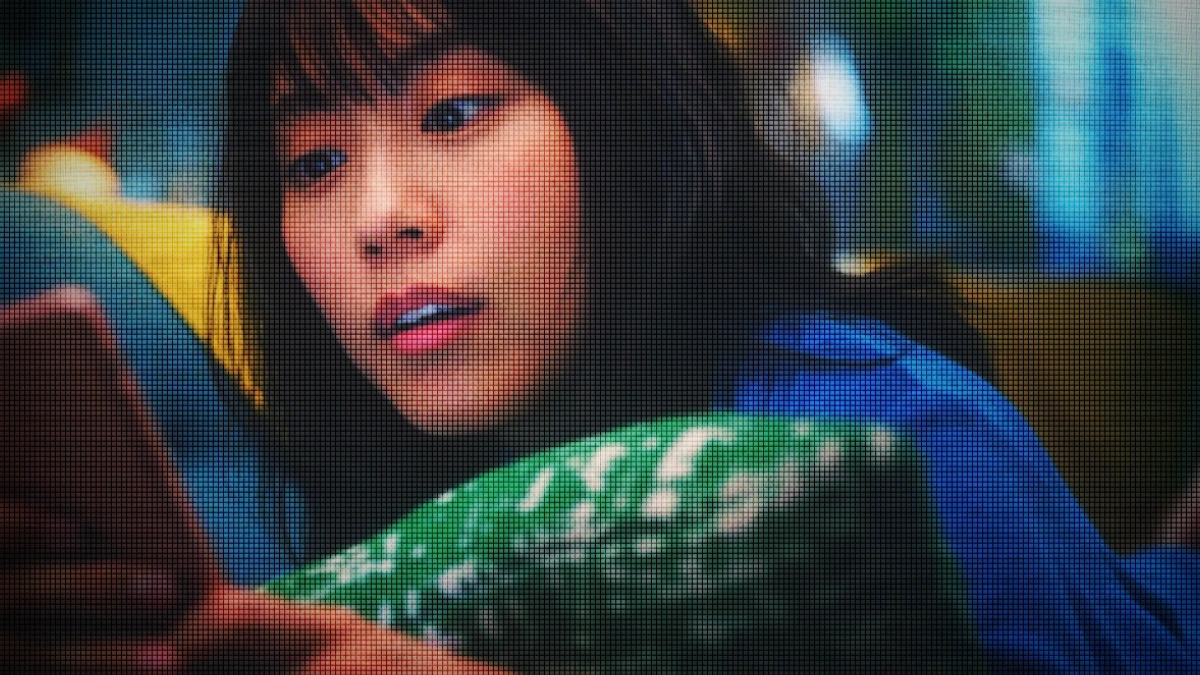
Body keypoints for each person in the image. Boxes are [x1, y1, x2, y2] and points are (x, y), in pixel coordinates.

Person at [2, 0, 1196, 672]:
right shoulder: (365, 484)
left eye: (454, 111)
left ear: (626, 126)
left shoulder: (888, 447)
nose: (379, 217)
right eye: (312, 162)